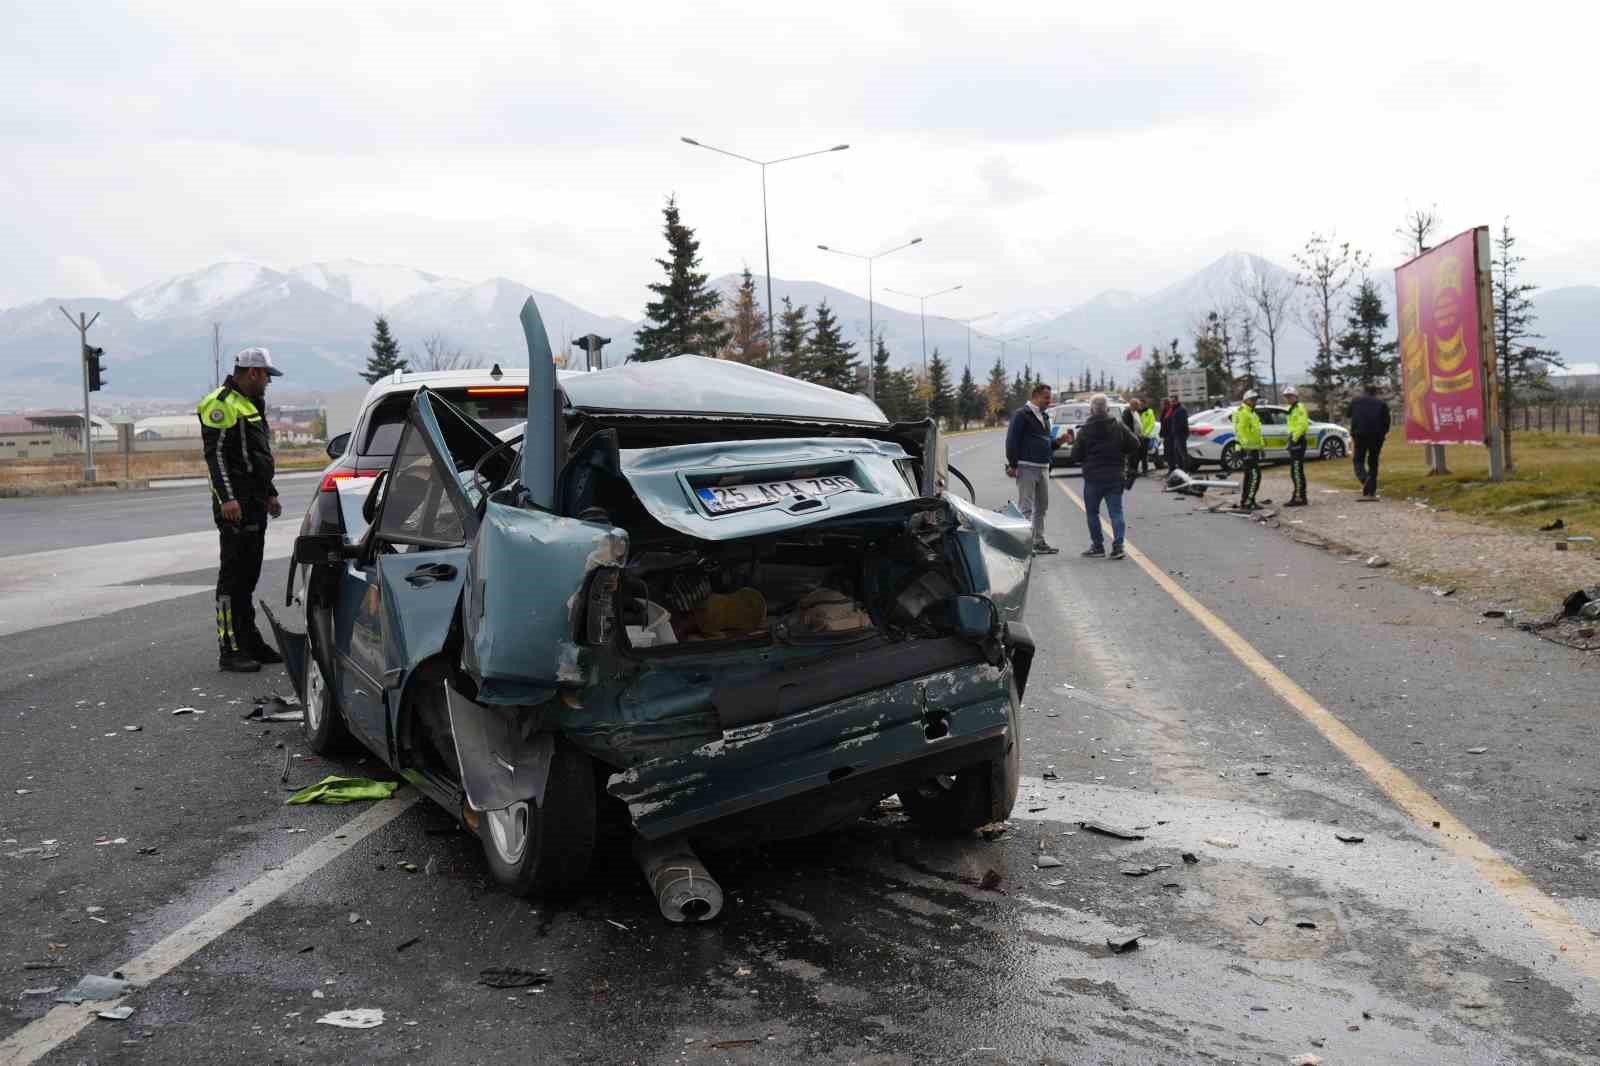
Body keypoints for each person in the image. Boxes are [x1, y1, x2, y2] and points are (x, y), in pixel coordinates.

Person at [199, 347, 285, 672]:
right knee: (232, 579)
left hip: (255, 502)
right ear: (253, 373)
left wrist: (271, 493)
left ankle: (250, 641)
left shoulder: (250, 403)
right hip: (235, 506)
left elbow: (257, 455)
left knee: (248, 577)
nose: (268, 382)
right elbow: (216, 457)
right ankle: (230, 648)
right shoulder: (220, 404)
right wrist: (227, 500)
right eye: (266, 376)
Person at [1068, 393, 1141, 559]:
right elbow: (1135, 443)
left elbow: (1076, 456)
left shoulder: (1085, 430)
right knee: (1116, 512)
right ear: (1107, 409)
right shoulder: (1119, 426)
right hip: (1115, 475)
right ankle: (1118, 546)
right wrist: (1121, 452)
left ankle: (1098, 547)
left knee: (1092, 513)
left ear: (1091, 411)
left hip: (1093, 477)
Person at [1005, 382, 1064, 554]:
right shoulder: (1022, 415)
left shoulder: (1045, 417)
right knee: (1026, 507)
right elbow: (1012, 441)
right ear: (1036, 396)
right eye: (1046, 398)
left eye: (1050, 398)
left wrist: (1059, 442)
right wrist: (1013, 464)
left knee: (1042, 506)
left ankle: (1039, 541)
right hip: (1026, 466)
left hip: (1043, 467)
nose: (1048, 401)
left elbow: (1046, 443)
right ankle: (1025, 545)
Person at [1347, 383, 1392, 499]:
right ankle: (1371, 491)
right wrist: (1384, 433)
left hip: (1360, 435)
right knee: (1373, 461)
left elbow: (1348, 414)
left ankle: (1364, 478)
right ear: (1375, 392)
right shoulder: (1381, 404)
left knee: (1358, 460)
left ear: (1364, 391)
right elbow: (1387, 421)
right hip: (1377, 436)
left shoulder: (1356, 401)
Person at [1231, 390, 1264, 511]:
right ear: (1246, 400)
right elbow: (1240, 432)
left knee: (1249, 477)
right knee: (1255, 476)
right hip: (1247, 450)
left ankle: (1246, 501)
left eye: (1255, 399)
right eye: (1252, 399)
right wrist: (1245, 448)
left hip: (1254, 449)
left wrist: (1261, 446)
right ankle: (1248, 502)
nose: (1254, 402)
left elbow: (1256, 432)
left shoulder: (1253, 414)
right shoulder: (1243, 412)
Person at [1283, 385, 1310, 507]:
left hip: (1298, 440)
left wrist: (1294, 439)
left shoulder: (1299, 407)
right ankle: (1299, 495)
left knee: (1297, 470)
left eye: (1290, 396)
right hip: (1294, 439)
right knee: (1294, 470)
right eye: (1286, 397)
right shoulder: (1291, 409)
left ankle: (1300, 497)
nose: (1288, 399)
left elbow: (1303, 425)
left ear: (1296, 396)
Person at [1164, 396, 1190, 476]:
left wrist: (1176, 431)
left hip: (1180, 434)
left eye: (1173, 401)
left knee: (1182, 453)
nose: (1172, 403)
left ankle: (1186, 470)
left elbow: (1182, 423)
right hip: (1176, 434)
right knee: (1177, 453)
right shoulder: (1175, 409)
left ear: (1177, 401)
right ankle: (1181, 470)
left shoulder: (1181, 409)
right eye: (1171, 401)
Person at [1138, 399, 1158, 475]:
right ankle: (1136, 470)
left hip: (1145, 437)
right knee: (1137, 454)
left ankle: (1145, 470)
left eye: (1142, 404)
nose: (1141, 405)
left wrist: (1146, 433)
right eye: (1140, 404)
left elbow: (1151, 424)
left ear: (1145, 404)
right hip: (1138, 436)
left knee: (1144, 454)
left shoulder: (1149, 412)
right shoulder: (1137, 412)